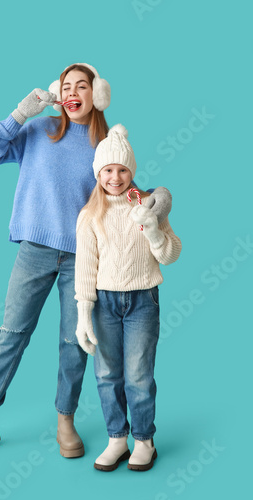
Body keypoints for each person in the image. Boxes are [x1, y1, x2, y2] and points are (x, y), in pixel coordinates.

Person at [0, 64, 172, 461]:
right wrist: (21, 113)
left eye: (81, 86)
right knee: (12, 332)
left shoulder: (106, 143)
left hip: (85, 258)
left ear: (96, 94)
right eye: (65, 86)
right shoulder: (37, 131)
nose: (72, 93)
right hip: (35, 249)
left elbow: (128, 192)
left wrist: (161, 197)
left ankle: (64, 420)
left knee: (75, 342)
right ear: (56, 93)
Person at [74, 124, 182, 471]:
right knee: (106, 374)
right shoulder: (89, 215)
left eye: (122, 169)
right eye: (108, 170)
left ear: (131, 171)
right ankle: (116, 439)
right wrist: (82, 314)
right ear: (98, 173)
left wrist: (152, 229)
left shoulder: (149, 206)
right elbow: (86, 266)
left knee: (138, 375)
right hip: (104, 303)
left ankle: (144, 441)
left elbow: (170, 254)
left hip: (142, 301)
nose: (115, 177)